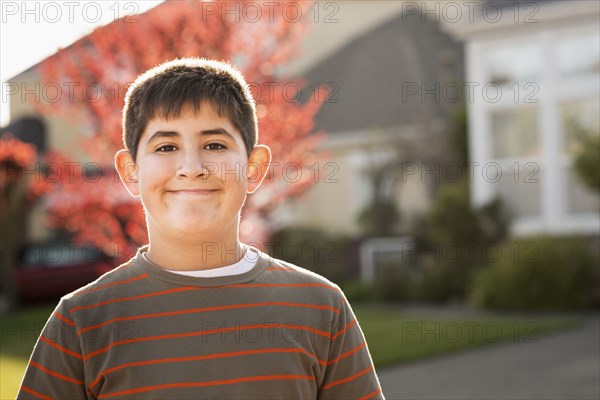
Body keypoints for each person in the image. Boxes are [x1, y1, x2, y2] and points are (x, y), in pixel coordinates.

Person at [18, 58, 384, 400]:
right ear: (131, 173)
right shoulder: (80, 323)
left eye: (214, 144)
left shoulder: (322, 308)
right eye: (166, 146)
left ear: (253, 168)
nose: (191, 167)